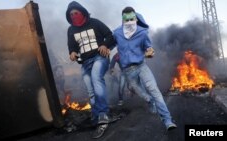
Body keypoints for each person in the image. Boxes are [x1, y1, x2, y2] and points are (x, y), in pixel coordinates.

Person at [113, 6, 177, 131]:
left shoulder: (142, 33)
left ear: (136, 19)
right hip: (128, 71)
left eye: (132, 19)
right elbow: (108, 44)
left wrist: (150, 52)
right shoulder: (116, 33)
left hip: (141, 66)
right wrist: (104, 46)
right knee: (139, 91)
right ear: (122, 20)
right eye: (126, 20)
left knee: (154, 90)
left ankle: (167, 120)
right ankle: (149, 101)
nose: (129, 22)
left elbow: (149, 48)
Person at [65, 1, 115, 138]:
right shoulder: (71, 30)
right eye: (71, 14)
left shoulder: (94, 22)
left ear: (82, 12)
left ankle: (103, 114)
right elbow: (72, 47)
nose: (74, 15)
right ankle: (96, 115)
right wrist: (72, 53)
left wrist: (105, 45)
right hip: (85, 62)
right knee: (90, 90)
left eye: (76, 13)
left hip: (100, 57)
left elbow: (110, 35)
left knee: (96, 78)